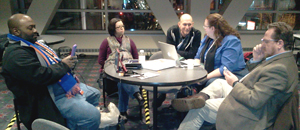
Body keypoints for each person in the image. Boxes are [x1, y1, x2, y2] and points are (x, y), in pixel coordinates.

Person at [173, 22, 298, 130]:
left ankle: (198, 103)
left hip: (250, 113)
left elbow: (253, 100)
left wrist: (235, 83)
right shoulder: (283, 60)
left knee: (201, 108)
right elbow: (260, 77)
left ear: (279, 43)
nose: (262, 44)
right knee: (219, 83)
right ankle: (198, 97)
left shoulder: (279, 69)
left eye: (265, 41)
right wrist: (256, 60)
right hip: (249, 96)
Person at [2, 14, 101, 130]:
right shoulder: (16, 55)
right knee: (93, 116)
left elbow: (52, 64)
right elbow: (41, 75)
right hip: (48, 96)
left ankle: (75, 123)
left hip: (58, 85)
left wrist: (70, 76)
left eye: (34, 27)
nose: (35, 31)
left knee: (95, 94)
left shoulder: (32, 44)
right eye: (30, 28)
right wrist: (64, 65)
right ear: (16, 31)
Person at [98, 18, 144, 121]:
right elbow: (100, 60)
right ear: (113, 29)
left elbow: (136, 57)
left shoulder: (129, 41)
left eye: (122, 26)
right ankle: (136, 94)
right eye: (118, 27)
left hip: (127, 68)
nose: (121, 29)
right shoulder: (106, 41)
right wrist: (110, 66)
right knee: (122, 80)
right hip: (112, 69)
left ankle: (122, 111)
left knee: (122, 82)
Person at [156, 13, 202, 108]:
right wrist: (181, 54)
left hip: (188, 64)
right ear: (179, 24)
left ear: (192, 24)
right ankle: (162, 95)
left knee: (184, 80)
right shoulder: (172, 31)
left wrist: (176, 52)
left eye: (189, 24)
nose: (187, 27)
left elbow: (192, 54)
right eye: (184, 24)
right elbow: (169, 52)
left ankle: (179, 102)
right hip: (172, 62)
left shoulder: (196, 34)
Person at [194, 13, 248, 87]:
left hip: (231, 75)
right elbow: (198, 56)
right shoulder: (207, 38)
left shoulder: (231, 41)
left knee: (210, 83)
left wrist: (204, 78)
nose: (204, 28)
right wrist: (196, 69)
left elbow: (225, 68)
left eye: (205, 26)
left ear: (212, 28)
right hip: (210, 73)